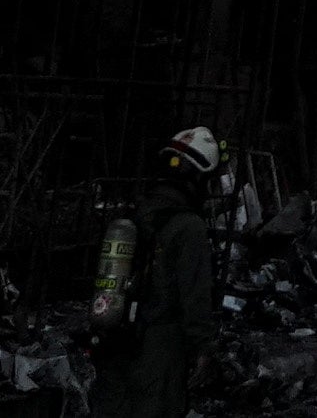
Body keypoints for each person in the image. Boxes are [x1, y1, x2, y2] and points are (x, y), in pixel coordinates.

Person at [104, 128, 231, 418]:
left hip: (116, 340)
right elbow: (195, 295)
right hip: (160, 347)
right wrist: (203, 349)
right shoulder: (189, 227)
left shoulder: (134, 213)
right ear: (197, 178)